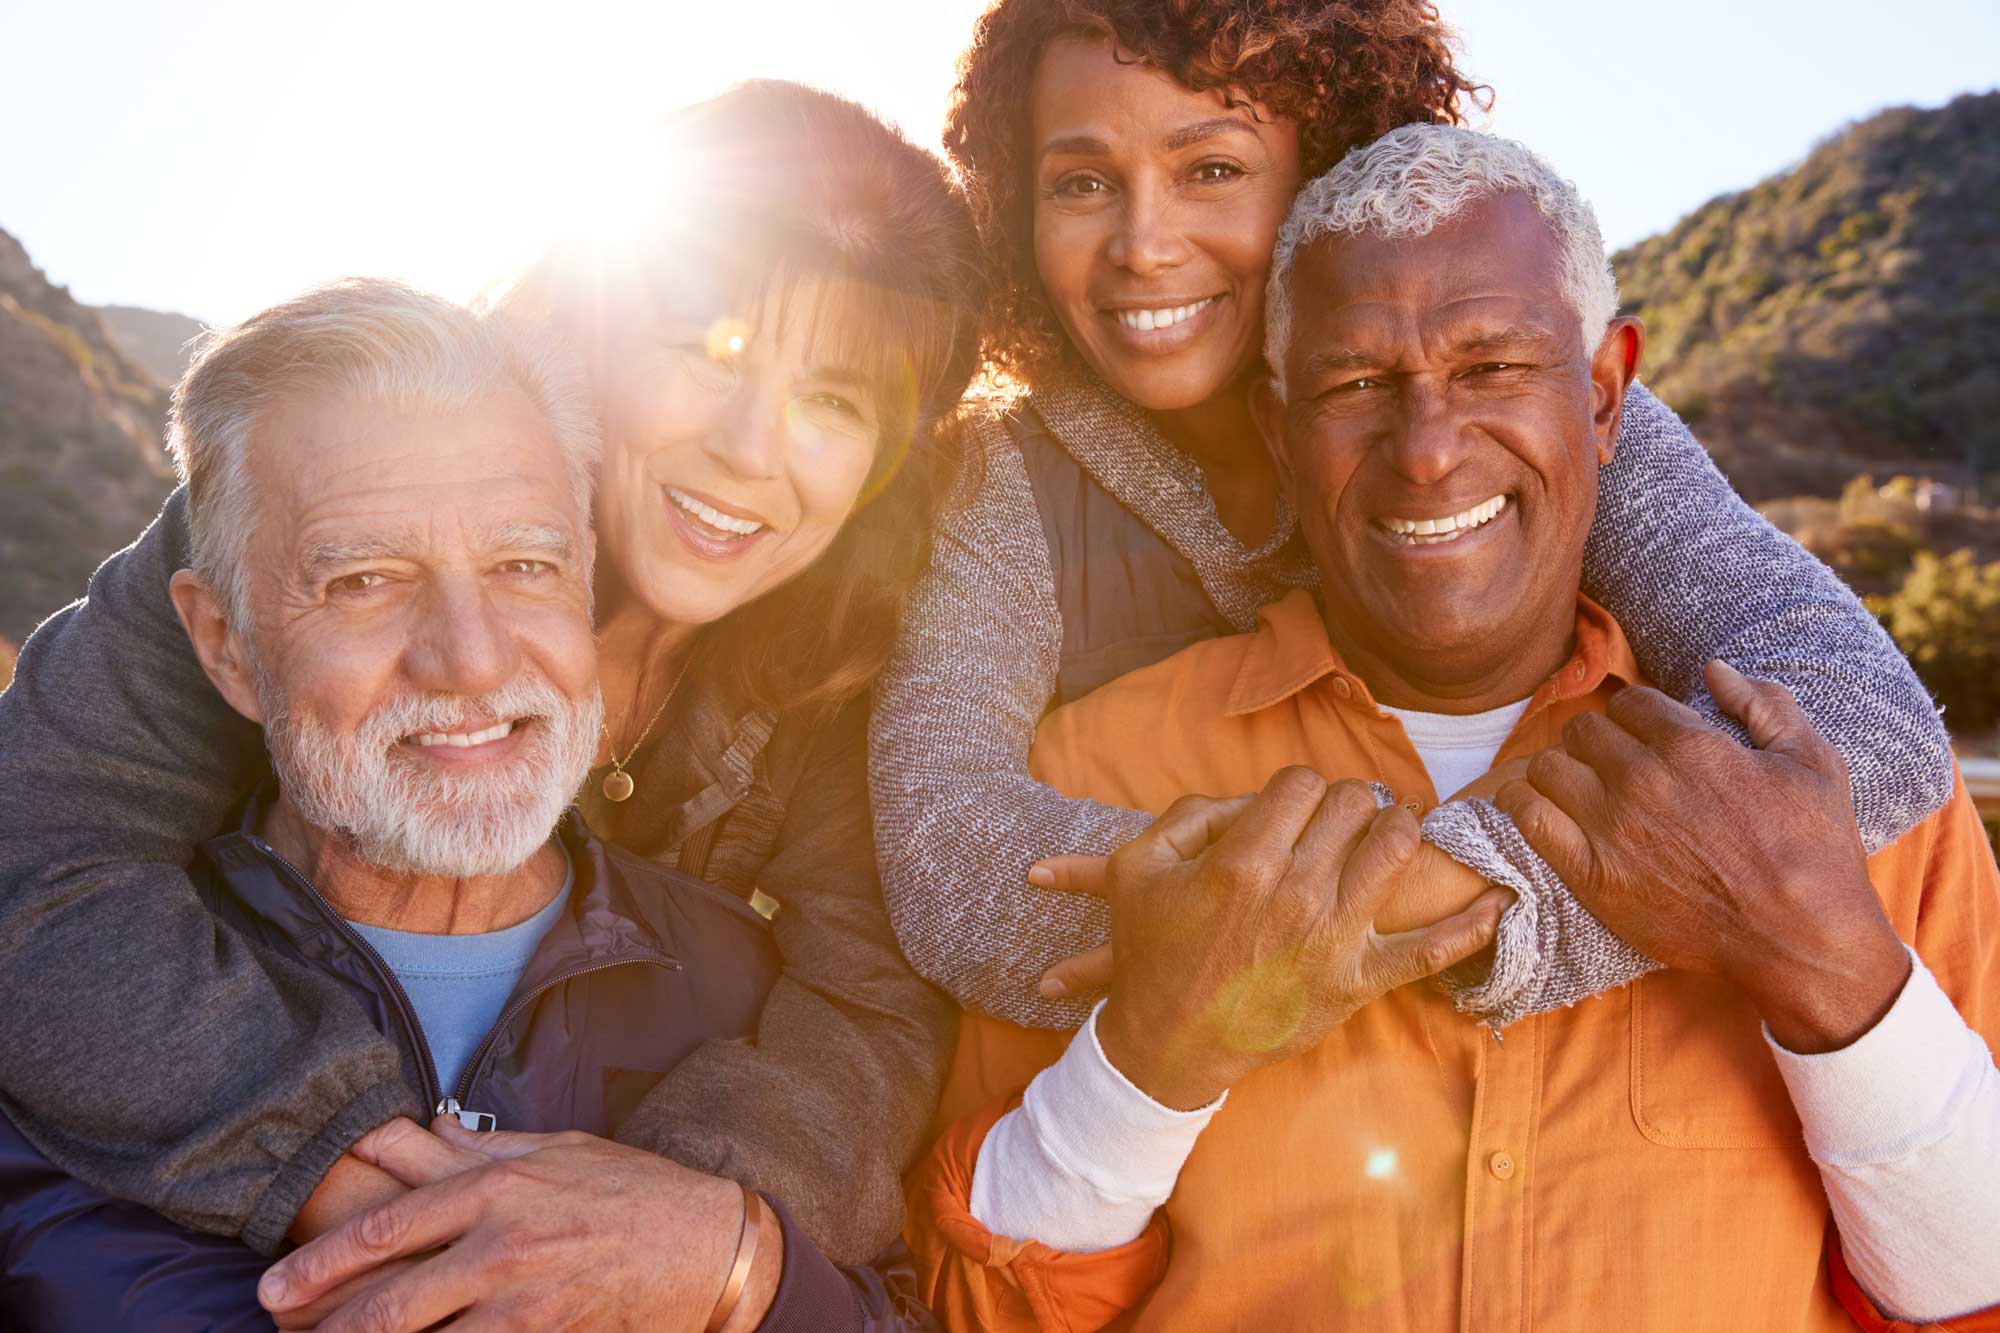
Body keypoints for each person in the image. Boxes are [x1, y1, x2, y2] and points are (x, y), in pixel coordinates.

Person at [905, 125, 2000, 1331]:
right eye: (1354, 385)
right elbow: (983, 1305)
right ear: (1277, 429)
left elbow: (1974, 1291)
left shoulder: (1832, 793)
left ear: (1601, 396)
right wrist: (1152, 1060)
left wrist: (1823, 962)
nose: (1426, 450)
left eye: (1490, 367)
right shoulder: (1091, 773)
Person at [0, 81, 982, 1324]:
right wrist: (362, 1180)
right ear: (588, 326)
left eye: (834, 400)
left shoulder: (872, 659)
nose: (750, 446)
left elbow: (869, 1009)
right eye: (712, 348)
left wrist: (656, 1234)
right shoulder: (314, 488)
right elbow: (35, 844)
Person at [870, 0, 1956, 1034]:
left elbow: (1855, 719)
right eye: (1080, 183)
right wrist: (1408, 905)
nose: (1143, 243)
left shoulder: (1528, 408)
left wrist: (1401, 898)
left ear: (1323, 168)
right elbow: (947, 858)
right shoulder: (1003, 480)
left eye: (1212, 169)